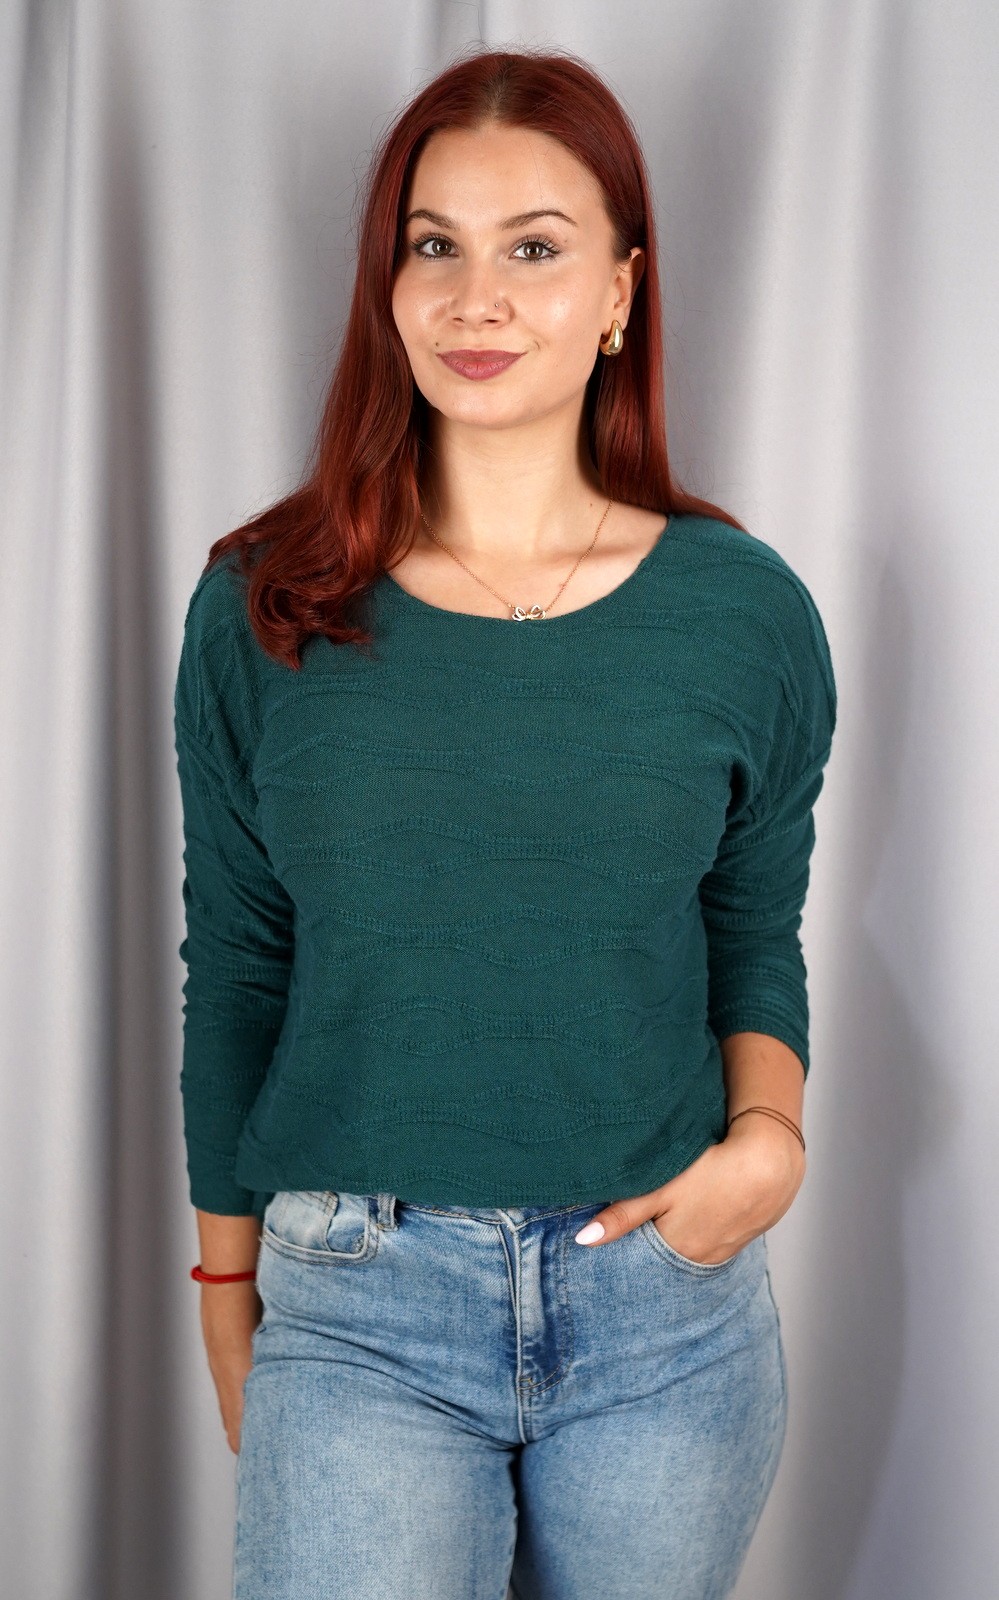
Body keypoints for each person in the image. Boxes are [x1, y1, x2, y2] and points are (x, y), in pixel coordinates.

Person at [174, 45, 837, 1600]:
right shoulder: (267, 605)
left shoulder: (743, 612)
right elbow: (239, 965)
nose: (477, 299)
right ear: (391, 284)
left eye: (535, 248)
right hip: (360, 1308)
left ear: (619, 293)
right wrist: (223, 1290)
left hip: (662, 1311)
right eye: (436, 245)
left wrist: (769, 1146)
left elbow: (753, 929)